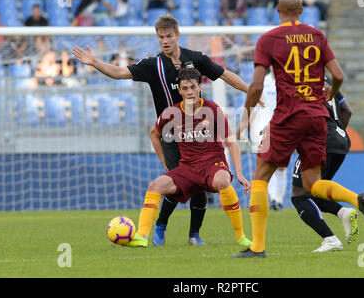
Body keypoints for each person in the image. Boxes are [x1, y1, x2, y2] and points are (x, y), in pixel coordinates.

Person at [72, 15, 256, 246]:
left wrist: (252, 92)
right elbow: (119, 73)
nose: (165, 41)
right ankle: (160, 225)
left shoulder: (195, 59)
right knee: (177, 183)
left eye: (169, 36)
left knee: (202, 185)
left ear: (177, 35)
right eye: (161, 37)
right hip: (170, 133)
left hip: (200, 129)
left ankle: (194, 234)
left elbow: (225, 74)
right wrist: (95, 62)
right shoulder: (153, 65)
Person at [231, 0, 364, 258]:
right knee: (312, 182)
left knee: (260, 176)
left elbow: (255, 85)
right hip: (317, 117)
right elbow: (338, 75)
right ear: (301, 11)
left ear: (277, 10)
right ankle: (356, 200)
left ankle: (257, 248)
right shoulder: (317, 35)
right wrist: (330, 94)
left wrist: (245, 115)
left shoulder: (268, 39)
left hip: (289, 115)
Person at [122, 68, 252, 249]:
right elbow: (154, 134)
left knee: (223, 180)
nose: (189, 92)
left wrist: (238, 173)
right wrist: (166, 164)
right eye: (185, 88)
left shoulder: (213, 109)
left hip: (213, 164)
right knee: (155, 186)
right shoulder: (170, 113)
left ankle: (241, 237)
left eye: (193, 87)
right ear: (180, 90)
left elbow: (232, 143)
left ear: (200, 87)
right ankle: (142, 236)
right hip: (188, 167)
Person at [291, 81, 359, 252]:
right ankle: (343, 212)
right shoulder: (327, 81)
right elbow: (347, 111)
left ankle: (331, 239)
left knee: (299, 194)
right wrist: (337, 131)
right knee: (315, 189)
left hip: (321, 139)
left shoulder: (302, 79)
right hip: (341, 140)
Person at [240, 68, 288, 210]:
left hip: (283, 126)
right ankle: (272, 199)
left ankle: (278, 199)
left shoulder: (287, 81)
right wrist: (245, 125)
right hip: (263, 127)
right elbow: (254, 106)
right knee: (267, 161)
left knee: (281, 166)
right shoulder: (263, 82)